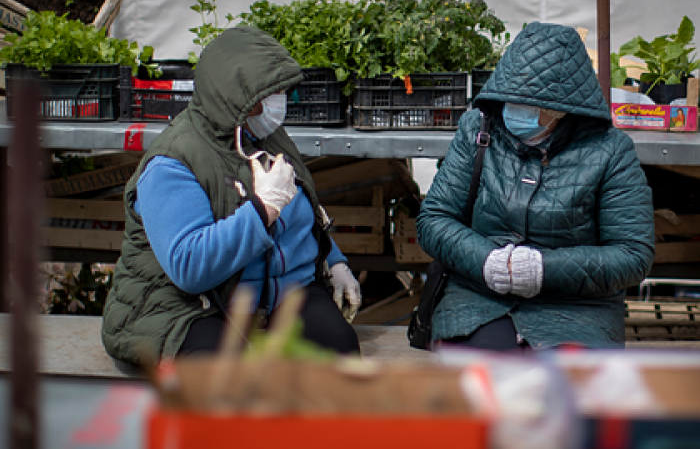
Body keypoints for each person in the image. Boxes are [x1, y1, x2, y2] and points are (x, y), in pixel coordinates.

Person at [101, 26, 361, 366]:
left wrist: (334, 260)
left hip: (275, 294)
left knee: (339, 352)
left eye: (280, 90)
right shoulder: (172, 161)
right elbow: (190, 267)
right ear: (234, 98)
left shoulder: (266, 135)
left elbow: (300, 209)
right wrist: (263, 209)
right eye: (268, 94)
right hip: (185, 303)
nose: (279, 101)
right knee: (230, 377)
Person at [416, 22, 655, 351]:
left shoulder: (610, 150)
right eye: (510, 100)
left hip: (577, 309)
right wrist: (487, 261)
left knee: (561, 391)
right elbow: (434, 219)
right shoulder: (477, 129)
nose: (513, 111)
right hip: (478, 300)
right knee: (483, 383)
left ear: (559, 109)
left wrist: (544, 269)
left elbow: (632, 255)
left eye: (527, 105)